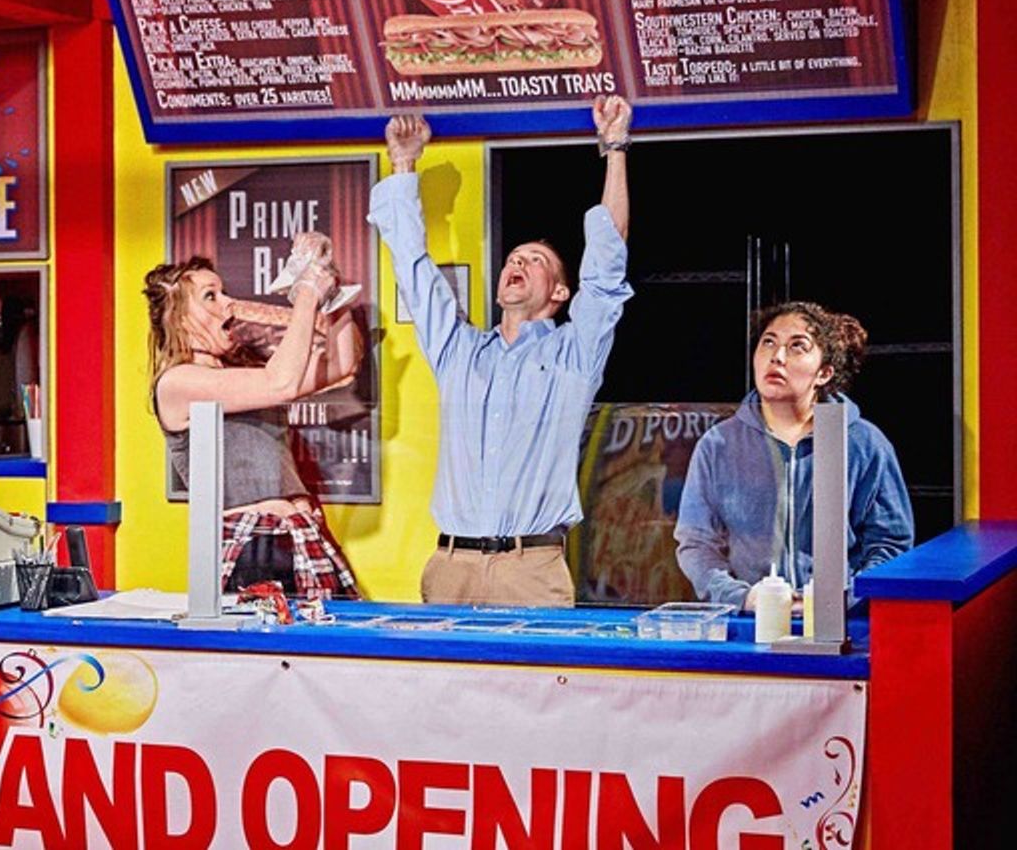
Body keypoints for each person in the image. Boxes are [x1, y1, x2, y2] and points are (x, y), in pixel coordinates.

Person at [368, 96, 634, 607]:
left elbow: (606, 265)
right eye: (513, 258)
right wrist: (403, 162)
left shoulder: (572, 357)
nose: (517, 262)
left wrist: (615, 147)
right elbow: (414, 269)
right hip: (451, 569)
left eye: (535, 261)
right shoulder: (460, 353)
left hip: (530, 570)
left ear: (559, 293)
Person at [143, 241, 363, 599]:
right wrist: (306, 292)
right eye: (210, 296)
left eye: (223, 291)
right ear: (178, 317)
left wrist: (328, 285)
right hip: (250, 546)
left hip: (301, 535)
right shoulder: (176, 382)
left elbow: (342, 364)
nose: (229, 302)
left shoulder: (243, 375)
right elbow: (282, 382)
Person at [674, 301, 914, 611]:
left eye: (797, 346)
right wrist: (744, 598)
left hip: (842, 625)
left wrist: (843, 601)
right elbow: (697, 544)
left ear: (824, 372)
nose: (777, 356)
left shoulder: (864, 443)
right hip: (747, 623)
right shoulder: (718, 444)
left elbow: (890, 543)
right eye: (768, 342)